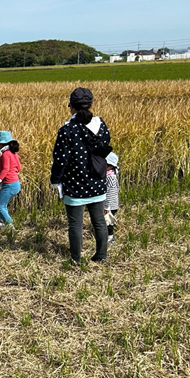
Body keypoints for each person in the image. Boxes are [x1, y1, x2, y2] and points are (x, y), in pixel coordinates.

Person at [51, 87, 111, 264]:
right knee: (99, 221)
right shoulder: (102, 125)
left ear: (71, 106)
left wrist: (56, 180)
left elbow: (61, 159)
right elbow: (104, 146)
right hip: (98, 181)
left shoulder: (67, 130)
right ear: (91, 104)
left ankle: (75, 259)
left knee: (75, 224)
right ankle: (101, 255)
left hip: (74, 184)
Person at [0, 131, 21, 228]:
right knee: (3, 205)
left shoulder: (6, 154)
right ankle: (4, 223)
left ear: (2, 144)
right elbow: (19, 168)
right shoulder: (13, 153)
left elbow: (6, 169)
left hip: (9, 185)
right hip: (15, 184)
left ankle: (9, 224)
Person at [104, 152, 120, 245]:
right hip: (108, 204)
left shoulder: (111, 178)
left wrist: (107, 207)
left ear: (110, 166)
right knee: (105, 221)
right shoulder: (107, 175)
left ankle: (110, 237)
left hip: (110, 205)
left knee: (108, 222)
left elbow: (110, 193)